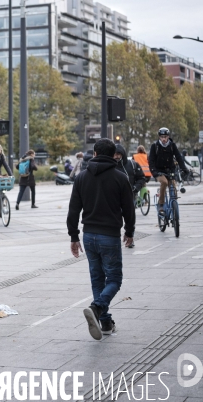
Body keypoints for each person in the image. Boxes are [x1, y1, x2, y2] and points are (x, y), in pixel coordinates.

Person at [67, 138, 135, 340]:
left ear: (95, 154)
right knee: (114, 279)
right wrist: (130, 232)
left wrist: (73, 236)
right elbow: (129, 209)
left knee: (97, 280)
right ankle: (97, 308)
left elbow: (73, 210)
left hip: (88, 236)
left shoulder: (81, 178)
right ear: (114, 155)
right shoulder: (120, 177)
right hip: (110, 236)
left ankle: (105, 323)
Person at [148, 127, 188, 215]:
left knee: (173, 185)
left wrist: (184, 168)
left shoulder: (172, 145)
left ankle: (174, 204)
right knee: (165, 182)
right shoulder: (155, 146)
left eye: (165, 137)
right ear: (159, 137)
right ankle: (161, 204)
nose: (164, 139)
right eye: (162, 137)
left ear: (168, 137)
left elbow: (179, 157)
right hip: (159, 171)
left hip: (170, 169)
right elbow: (151, 161)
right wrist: (154, 172)